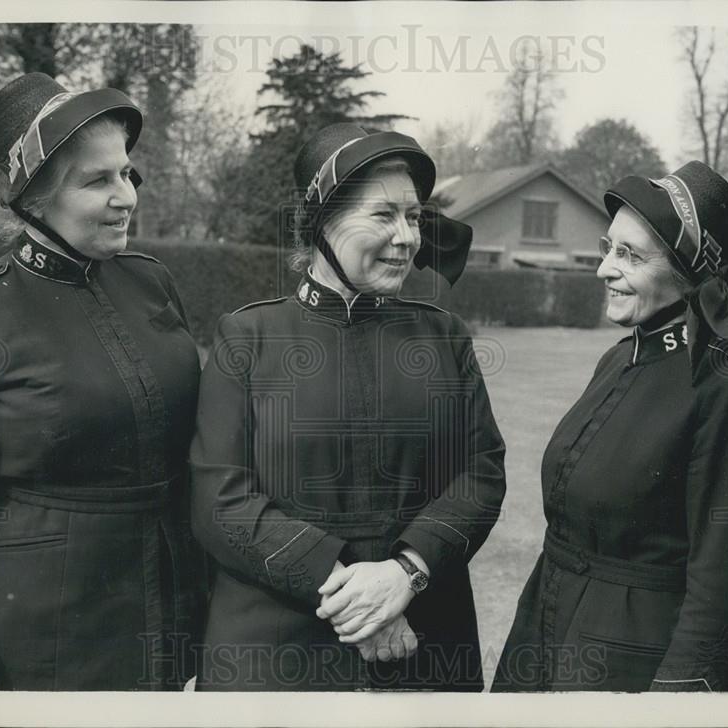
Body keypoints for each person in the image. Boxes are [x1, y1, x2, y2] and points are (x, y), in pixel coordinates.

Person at [0, 72, 204, 691]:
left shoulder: (150, 282)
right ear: (34, 199)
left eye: (126, 173)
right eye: (97, 180)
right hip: (49, 632)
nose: (126, 197)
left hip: (168, 612)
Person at [190, 123, 507, 691]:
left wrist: (404, 574)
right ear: (321, 224)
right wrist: (350, 598)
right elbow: (220, 499)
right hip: (276, 656)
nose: (408, 236)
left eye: (414, 216)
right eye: (383, 216)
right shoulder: (247, 337)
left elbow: (479, 474)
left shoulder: (445, 337)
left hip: (424, 646)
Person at [492, 161, 728, 692]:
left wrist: (675, 700)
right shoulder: (617, 359)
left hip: (633, 665)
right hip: (543, 632)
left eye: (628, 255)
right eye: (608, 247)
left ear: (687, 274)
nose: (603, 269)